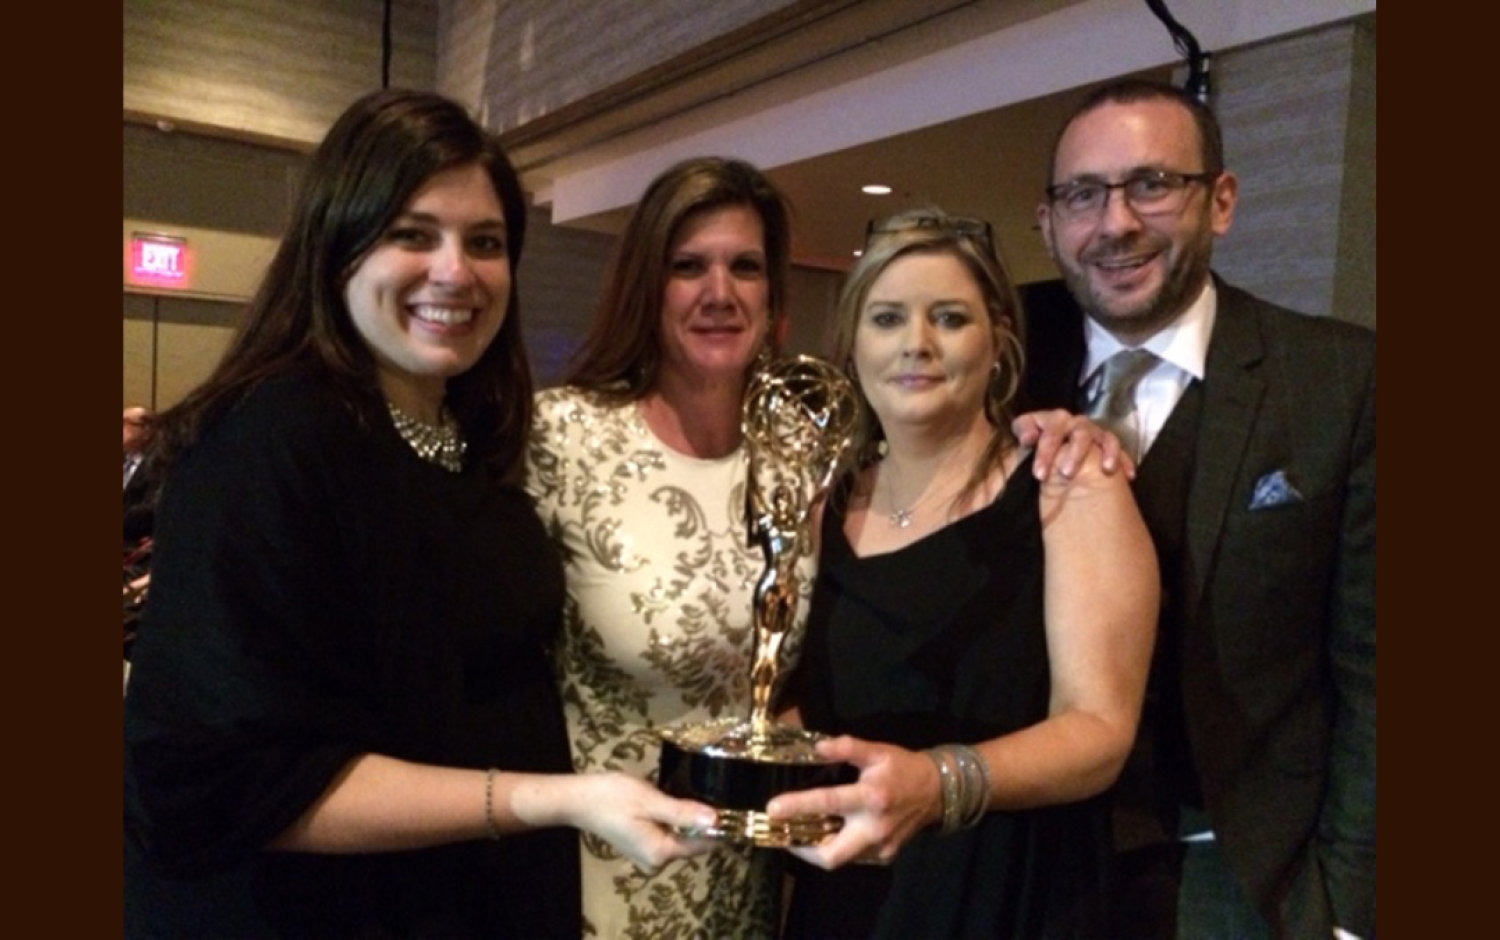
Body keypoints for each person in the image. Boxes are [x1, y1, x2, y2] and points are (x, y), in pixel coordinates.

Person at [122, 89, 716, 939]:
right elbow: (225, 783)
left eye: (485, 243)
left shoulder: (470, 437)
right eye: (413, 234)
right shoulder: (271, 441)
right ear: (338, 249)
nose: (456, 272)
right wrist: (545, 799)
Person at [1024, 78, 1377, 939]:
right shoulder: (993, 376)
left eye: (1152, 184)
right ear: (1048, 222)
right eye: (1083, 194)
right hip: (1034, 859)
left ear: (1219, 201)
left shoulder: (1343, 381)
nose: (1115, 223)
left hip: (1248, 873)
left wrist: (1349, 910)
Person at [765, 208, 1160, 938]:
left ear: (998, 343)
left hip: (1011, 892)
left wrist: (940, 785)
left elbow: (1101, 729)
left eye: (948, 318)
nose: (915, 344)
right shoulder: (822, 504)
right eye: (886, 319)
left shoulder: (1068, 484)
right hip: (853, 897)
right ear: (852, 343)